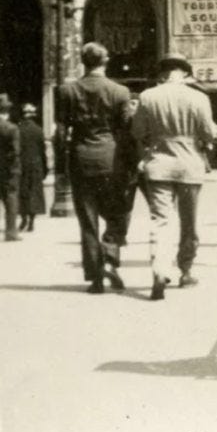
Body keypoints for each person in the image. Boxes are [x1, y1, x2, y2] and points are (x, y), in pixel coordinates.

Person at [132, 53, 217, 300]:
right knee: (189, 222)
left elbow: (138, 131)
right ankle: (186, 270)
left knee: (161, 220)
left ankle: (160, 268)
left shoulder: (147, 97)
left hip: (159, 164)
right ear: (184, 73)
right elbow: (209, 133)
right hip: (191, 166)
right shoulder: (199, 98)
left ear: (162, 74)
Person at [56, 43, 131, 293]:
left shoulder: (67, 91)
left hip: (80, 160)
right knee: (118, 212)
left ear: (83, 61)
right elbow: (126, 130)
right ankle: (110, 253)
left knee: (87, 220)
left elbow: (60, 132)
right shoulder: (119, 91)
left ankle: (96, 276)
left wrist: (60, 164)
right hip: (111, 159)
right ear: (105, 61)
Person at [17, 103, 47, 232]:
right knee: (34, 192)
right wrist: (45, 167)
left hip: (21, 165)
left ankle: (23, 218)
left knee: (22, 192)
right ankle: (32, 221)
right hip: (36, 164)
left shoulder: (17, 129)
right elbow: (42, 151)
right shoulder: (39, 130)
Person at [0, 94, 20, 242]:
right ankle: (11, 231)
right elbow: (15, 151)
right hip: (8, 170)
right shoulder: (11, 128)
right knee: (11, 199)